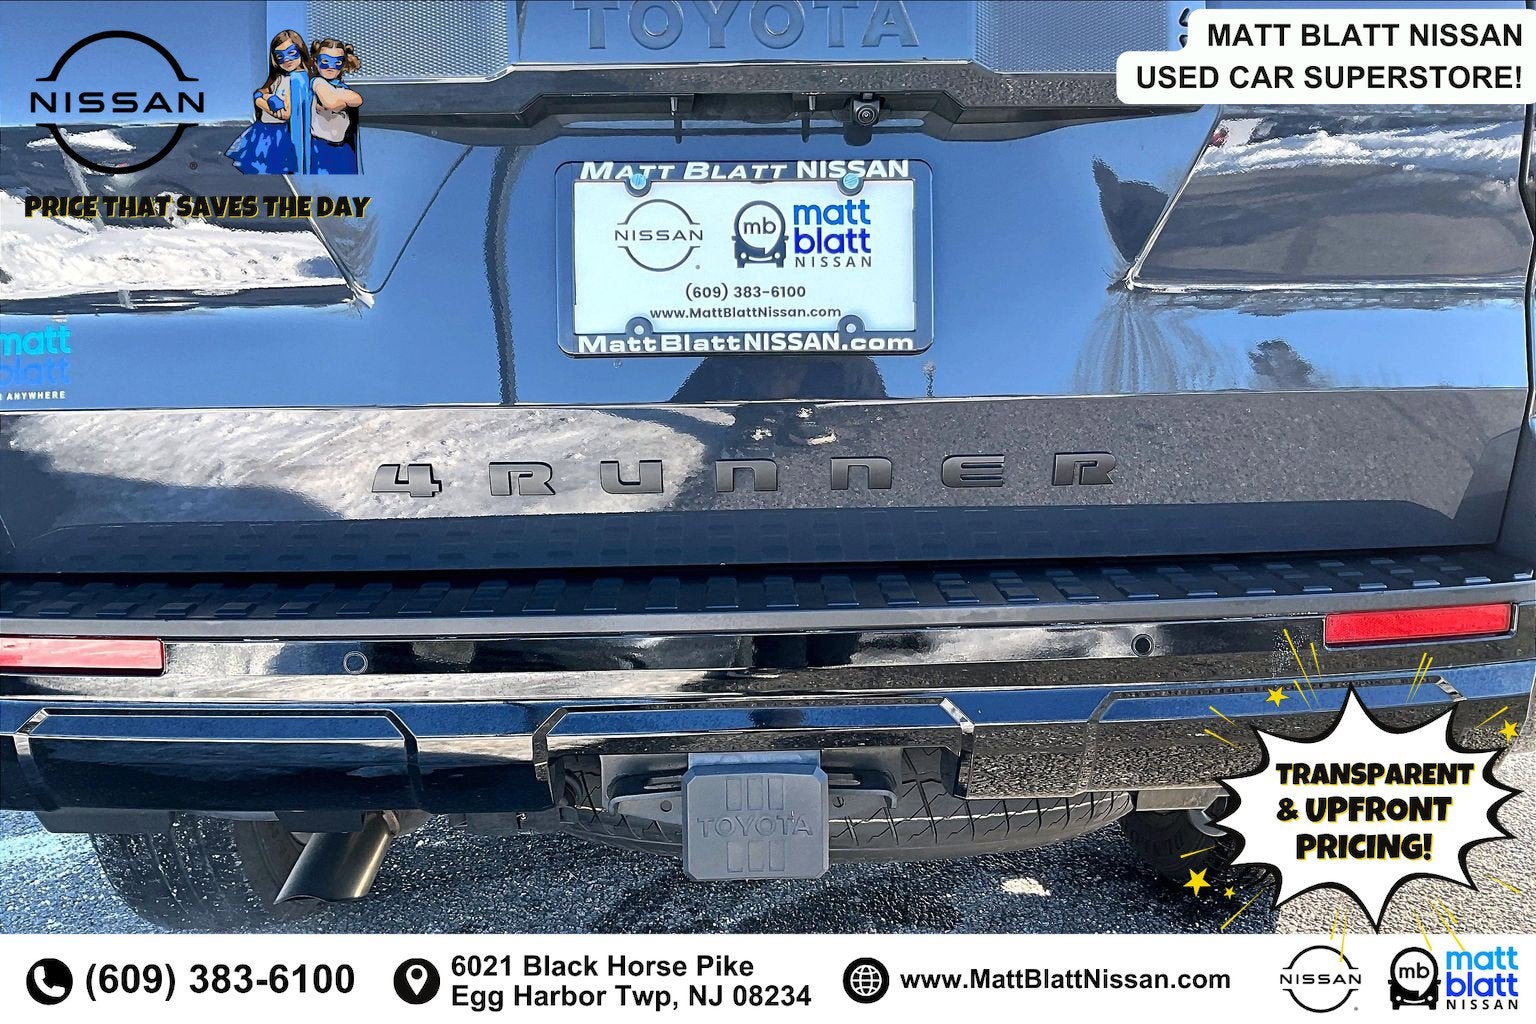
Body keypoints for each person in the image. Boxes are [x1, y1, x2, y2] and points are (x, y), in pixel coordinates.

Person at [226, 30, 312, 174]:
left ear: (300, 50)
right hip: (263, 132)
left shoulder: (297, 80)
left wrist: (260, 100)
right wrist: (267, 97)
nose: (286, 59)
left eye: (291, 53)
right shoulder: (281, 77)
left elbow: (285, 113)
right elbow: (265, 90)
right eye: (280, 56)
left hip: (277, 136)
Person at [308, 38, 363, 175]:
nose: (331, 67)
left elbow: (357, 99)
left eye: (337, 62)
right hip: (320, 147)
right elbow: (332, 103)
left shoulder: (341, 86)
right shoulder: (317, 82)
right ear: (316, 61)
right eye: (325, 61)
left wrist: (339, 97)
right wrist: (342, 99)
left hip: (343, 146)